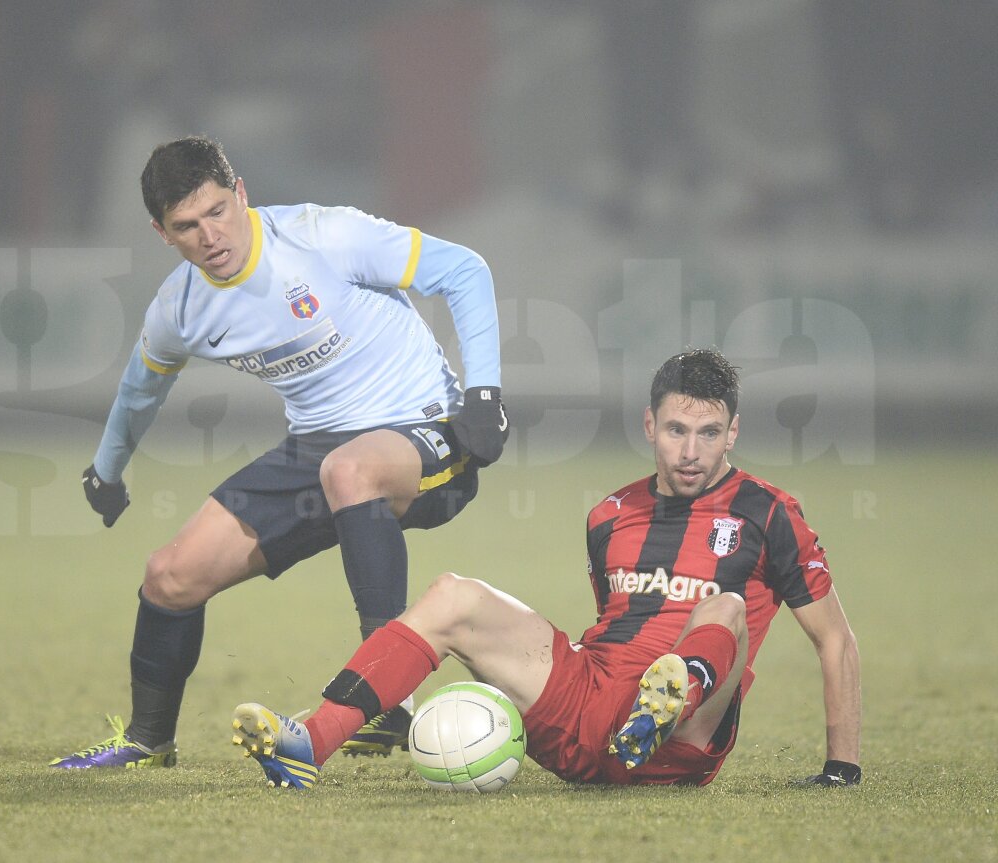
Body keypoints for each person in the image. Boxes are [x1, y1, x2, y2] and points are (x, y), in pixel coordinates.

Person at [51, 135, 507, 768]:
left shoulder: (323, 236)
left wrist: (484, 393)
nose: (210, 235)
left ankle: (385, 697)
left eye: (217, 211)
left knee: (349, 469)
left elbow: (464, 270)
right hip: (321, 455)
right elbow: (139, 390)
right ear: (163, 233)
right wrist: (106, 471)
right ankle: (148, 739)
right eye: (187, 225)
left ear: (241, 193)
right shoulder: (179, 309)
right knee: (169, 577)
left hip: (426, 433)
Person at [231, 348, 861, 790]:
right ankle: (310, 744)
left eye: (708, 432)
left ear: (733, 434)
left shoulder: (770, 512)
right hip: (591, 706)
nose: (691, 450)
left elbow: (834, 639)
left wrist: (843, 769)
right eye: (675, 430)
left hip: (686, 741)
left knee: (722, 606)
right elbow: (614, 619)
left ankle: (664, 703)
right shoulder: (610, 515)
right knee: (454, 594)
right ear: (650, 426)